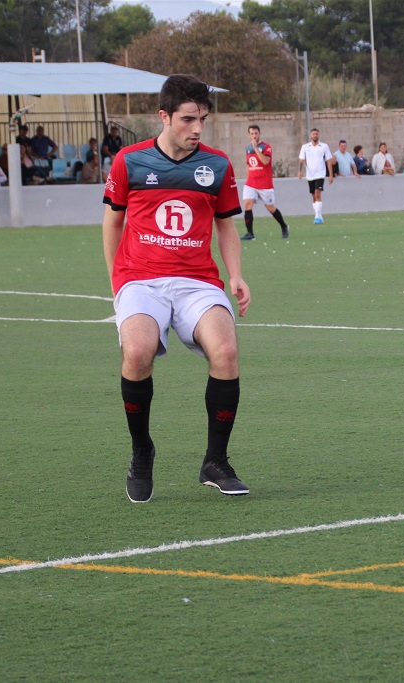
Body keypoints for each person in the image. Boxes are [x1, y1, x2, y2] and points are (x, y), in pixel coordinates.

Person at [102, 73, 251, 503]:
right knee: (137, 352)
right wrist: (119, 281)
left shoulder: (217, 165)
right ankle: (141, 452)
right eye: (188, 119)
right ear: (164, 116)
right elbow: (112, 222)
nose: (197, 128)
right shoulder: (129, 161)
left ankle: (215, 461)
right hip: (140, 279)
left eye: (203, 119)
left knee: (226, 351)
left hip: (197, 281)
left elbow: (226, 227)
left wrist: (235, 275)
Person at [240, 124, 289, 241]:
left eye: (256, 133)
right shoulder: (248, 148)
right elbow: (249, 165)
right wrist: (248, 179)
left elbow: (266, 161)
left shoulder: (266, 147)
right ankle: (250, 233)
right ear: (249, 135)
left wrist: (256, 148)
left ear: (259, 134)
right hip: (251, 183)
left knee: (271, 208)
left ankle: (284, 226)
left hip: (264, 184)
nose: (254, 136)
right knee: (247, 205)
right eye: (252, 133)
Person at [297, 128, 333, 224]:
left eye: (316, 134)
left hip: (320, 174)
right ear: (310, 135)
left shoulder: (324, 146)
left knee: (317, 194)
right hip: (310, 175)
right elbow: (301, 160)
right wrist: (299, 171)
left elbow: (329, 160)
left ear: (319, 135)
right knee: (313, 196)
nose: (315, 135)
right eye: (313, 134)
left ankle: (317, 217)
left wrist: (330, 174)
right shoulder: (305, 147)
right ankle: (319, 216)